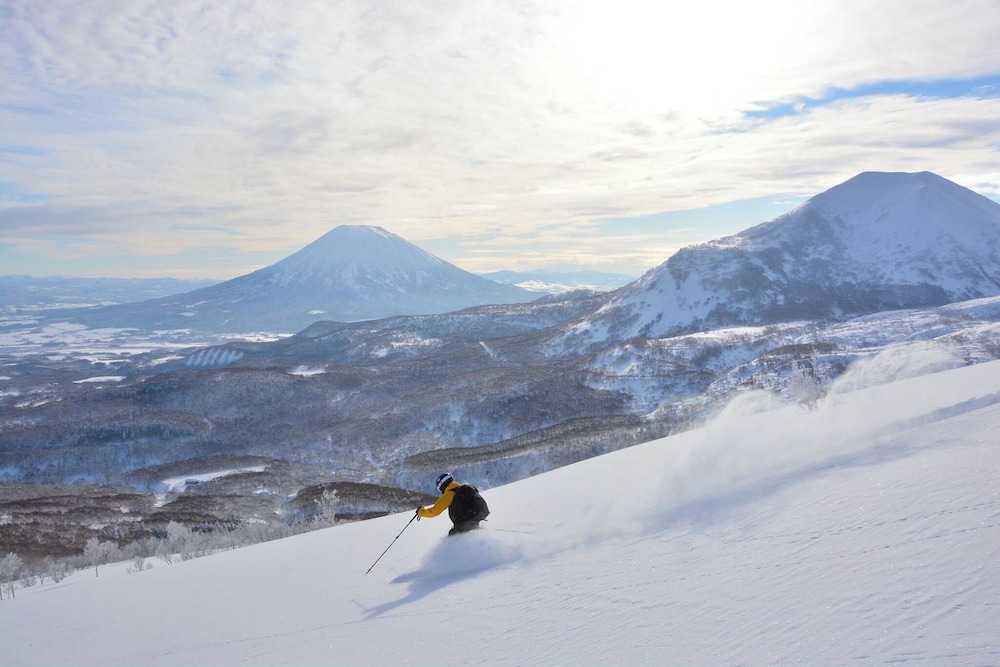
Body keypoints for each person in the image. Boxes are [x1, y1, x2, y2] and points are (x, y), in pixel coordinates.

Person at [416, 472, 490, 535]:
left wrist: (421, 512)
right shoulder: (464, 489)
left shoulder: (450, 493)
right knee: (474, 534)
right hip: (476, 517)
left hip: (466, 521)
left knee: (453, 538)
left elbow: (434, 511)